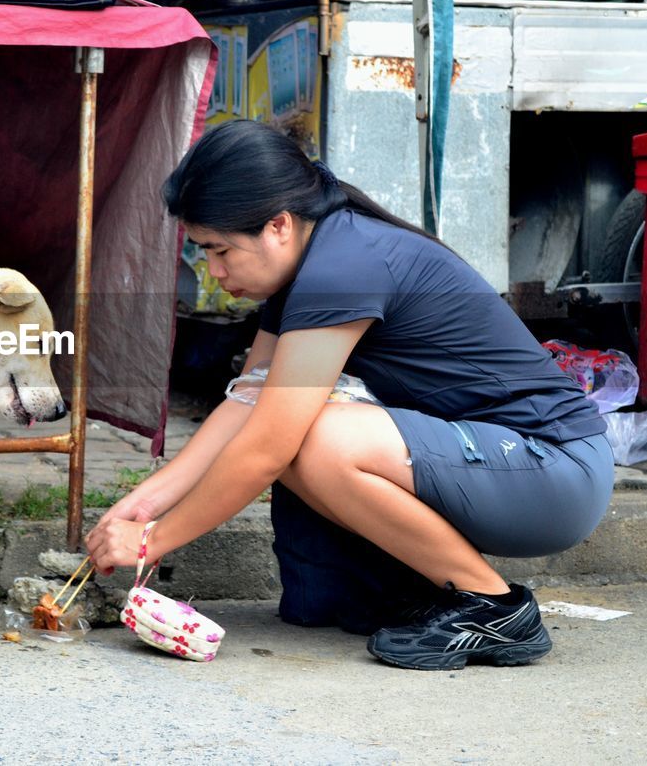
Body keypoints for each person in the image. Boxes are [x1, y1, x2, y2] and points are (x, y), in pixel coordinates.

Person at [85, 119, 614, 670]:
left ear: (279, 226)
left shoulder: (343, 267)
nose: (214, 272)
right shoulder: (307, 267)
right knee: (323, 594)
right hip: (487, 463)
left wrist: (155, 541)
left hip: (553, 469)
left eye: (221, 251)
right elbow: (246, 401)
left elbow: (268, 443)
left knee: (311, 434)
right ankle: (423, 588)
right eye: (204, 254)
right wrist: (146, 504)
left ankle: (496, 609)